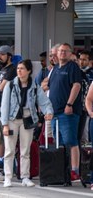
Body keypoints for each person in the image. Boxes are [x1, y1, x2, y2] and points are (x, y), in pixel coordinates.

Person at [0, 59, 54, 188]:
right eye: (18, 68)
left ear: (29, 71)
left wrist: (49, 112)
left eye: (22, 68)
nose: (19, 71)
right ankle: (8, 177)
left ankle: (25, 176)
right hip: (12, 119)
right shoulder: (10, 85)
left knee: (25, 150)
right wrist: (5, 124)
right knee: (9, 150)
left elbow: (44, 101)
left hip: (28, 118)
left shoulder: (34, 86)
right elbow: (4, 105)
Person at [47, 43, 83, 181]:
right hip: (55, 112)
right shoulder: (55, 68)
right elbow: (47, 85)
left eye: (65, 51)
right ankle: (62, 170)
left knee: (71, 140)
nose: (62, 53)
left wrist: (70, 103)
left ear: (70, 53)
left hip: (67, 111)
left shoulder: (72, 67)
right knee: (59, 142)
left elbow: (77, 85)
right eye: (60, 51)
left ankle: (74, 170)